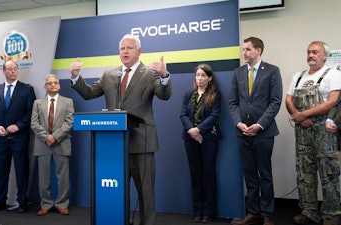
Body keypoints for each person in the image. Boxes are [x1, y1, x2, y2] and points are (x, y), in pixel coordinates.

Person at [69, 34, 172, 225]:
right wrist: (76, 78)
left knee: (146, 194)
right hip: (114, 145)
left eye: (130, 48)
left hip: (142, 143)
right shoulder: (109, 74)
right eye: (122, 48)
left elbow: (164, 95)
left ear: (139, 51)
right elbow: (90, 93)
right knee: (116, 191)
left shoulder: (150, 74)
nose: (125, 51)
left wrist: (164, 76)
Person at [285, 41, 341, 225]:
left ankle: (331, 215)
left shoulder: (333, 74)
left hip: (324, 130)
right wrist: (298, 116)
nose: (311, 55)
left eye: (315, 52)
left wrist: (304, 114)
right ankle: (309, 211)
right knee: (304, 172)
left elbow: (332, 101)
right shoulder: (298, 76)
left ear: (325, 55)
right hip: (302, 131)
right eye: (308, 52)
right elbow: (289, 99)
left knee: (328, 173)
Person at [229, 37, 282, 225]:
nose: (244, 53)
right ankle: (253, 213)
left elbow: (275, 102)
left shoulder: (272, 71)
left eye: (248, 49)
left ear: (258, 51)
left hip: (263, 132)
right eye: (243, 49)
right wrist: (238, 123)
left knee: (264, 173)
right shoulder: (238, 73)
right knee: (249, 173)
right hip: (242, 132)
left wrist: (259, 125)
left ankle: (267, 214)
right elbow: (233, 103)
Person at [0, 60, 36, 213]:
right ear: (3, 71)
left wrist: (19, 125)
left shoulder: (27, 90)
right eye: (10, 69)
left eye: (15, 69)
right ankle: (0, 201)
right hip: (1, 139)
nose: (13, 71)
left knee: (21, 171)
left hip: (19, 138)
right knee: (1, 172)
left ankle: (22, 202)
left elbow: (31, 112)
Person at [180, 64, 221, 223]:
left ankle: (208, 213)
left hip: (209, 139)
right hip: (190, 139)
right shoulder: (188, 93)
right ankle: (198, 211)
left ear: (210, 78)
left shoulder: (216, 95)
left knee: (208, 176)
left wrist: (199, 130)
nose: (200, 78)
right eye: (197, 75)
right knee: (195, 176)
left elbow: (214, 116)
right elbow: (182, 114)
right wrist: (192, 130)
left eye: (203, 75)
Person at [31, 74, 74, 216]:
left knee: (63, 176)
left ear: (59, 85)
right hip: (43, 144)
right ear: (45, 87)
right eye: (50, 83)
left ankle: (62, 204)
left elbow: (69, 122)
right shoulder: (37, 103)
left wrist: (55, 137)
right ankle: (46, 204)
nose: (53, 85)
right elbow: (34, 124)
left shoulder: (68, 102)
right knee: (44, 177)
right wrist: (47, 138)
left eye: (56, 82)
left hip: (61, 143)